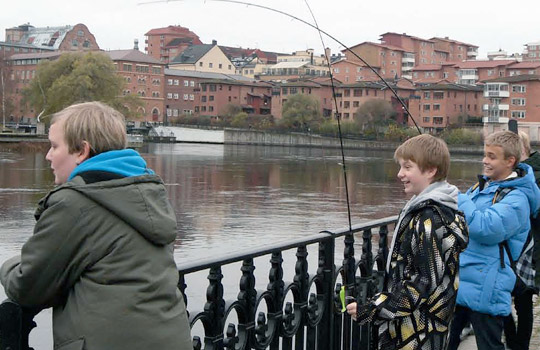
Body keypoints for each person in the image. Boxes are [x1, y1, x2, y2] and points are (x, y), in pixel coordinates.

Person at [0, 102, 192, 350]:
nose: (48, 155)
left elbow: (27, 285)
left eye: (55, 146)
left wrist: (9, 264)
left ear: (81, 151)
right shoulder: (148, 190)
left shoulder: (76, 202)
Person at [346, 134, 469, 350]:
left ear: (431, 170)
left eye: (407, 167)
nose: (400, 174)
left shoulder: (429, 217)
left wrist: (372, 310)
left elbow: (423, 283)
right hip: (425, 331)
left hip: (416, 335)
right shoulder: (438, 210)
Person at [447, 131, 540, 350]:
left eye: (491, 156)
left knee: (489, 344)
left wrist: (457, 196)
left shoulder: (518, 198)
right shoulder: (480, 188)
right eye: (485, 155)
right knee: (447, 342)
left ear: (510, 161)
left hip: (488, 286)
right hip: (465, 280)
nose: (485, 161)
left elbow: (486, 228)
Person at [502, 131, 540, 350]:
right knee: (522, 303)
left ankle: (516, 344)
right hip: (524, 249)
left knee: (514, 301)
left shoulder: (524, 180)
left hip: (523, 249)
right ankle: (519, 345)